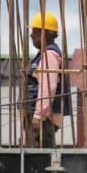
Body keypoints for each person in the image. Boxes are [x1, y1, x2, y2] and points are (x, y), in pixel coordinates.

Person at [25, 11, 70, 147]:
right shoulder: (44, 53)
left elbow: (47, 87)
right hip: (42, 116)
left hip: (44, 118)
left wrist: (38, 116)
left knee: (41, 157)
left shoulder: (49, 55)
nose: (32, 35)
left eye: (36, 32)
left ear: (49, 34)